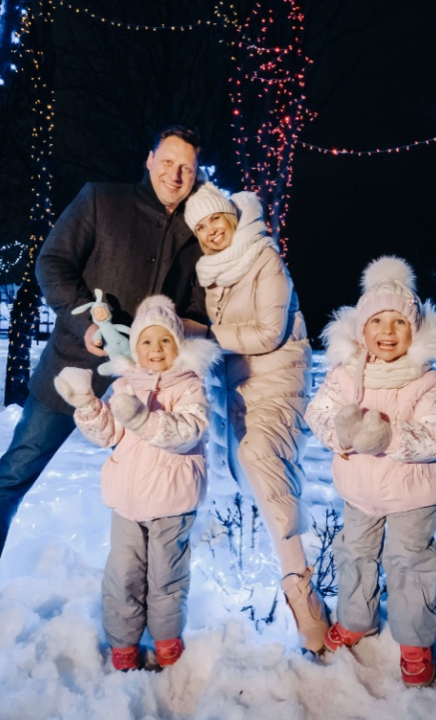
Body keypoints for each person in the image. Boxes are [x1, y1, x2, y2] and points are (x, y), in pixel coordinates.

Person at [0, 126, 207, 698]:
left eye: (187, 168)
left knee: (149, 508)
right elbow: (53, 264)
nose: (176, 174)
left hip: (143, 400)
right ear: (149, 160)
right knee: (9, 481)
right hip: (69, 375)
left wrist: (172, 338)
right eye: (168, 161)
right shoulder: (102, 199)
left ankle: (148, 626)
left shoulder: (195, 235)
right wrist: (86, 322)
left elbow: (196, 312)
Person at [181, 181, 331, 653]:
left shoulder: (263, 256)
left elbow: (269, 331)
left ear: (231, 218)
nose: (210, 231)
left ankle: (300, 590)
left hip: (278, 380)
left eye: (215, 221)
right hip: (238, 389)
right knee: (246, 472)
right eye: (200, 226)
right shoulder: (209, 272)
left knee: (259, 454)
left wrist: (206, 333)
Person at [303, 256, 436, 687]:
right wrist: (343, 435)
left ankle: (414, 640)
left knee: (409, 562)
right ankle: (356, 619)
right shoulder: (345, 375)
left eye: (398, 323)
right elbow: (317, 413)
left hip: (411, 494)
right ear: (361, 329)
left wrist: (390, 438)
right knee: (354, 555)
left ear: (414, 330)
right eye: (377, 321)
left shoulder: (424, 381)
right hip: (359, 492)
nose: (387, 332)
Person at [54, 295, 218, 671]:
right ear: (136, 347)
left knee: (166, 577)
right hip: (126, 504)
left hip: (170, 503)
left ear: (177, 345)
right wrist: (87, 405)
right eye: (147, 341)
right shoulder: (126, 384)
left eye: (164, 341)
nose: (156, 349)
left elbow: (189, 431)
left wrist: (145, 421)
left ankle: (165, 638)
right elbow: (108, 433)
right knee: (123, 576)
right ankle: (124, 640)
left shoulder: (189, 386)